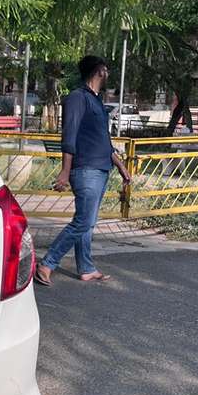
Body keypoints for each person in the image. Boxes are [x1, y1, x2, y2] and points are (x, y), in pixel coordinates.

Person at [35, 55, 131, 285]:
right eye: (106, 69)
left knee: (88, 222)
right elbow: (69, 137)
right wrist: (64, 172)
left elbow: (103, 141)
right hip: (85, 169)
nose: (108, 73)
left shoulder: (96, 101)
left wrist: (120, 166)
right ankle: (47, 263)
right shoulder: (77, 98)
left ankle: (86, 267)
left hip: (101, 169)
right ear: (99, 71)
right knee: (83, 222)